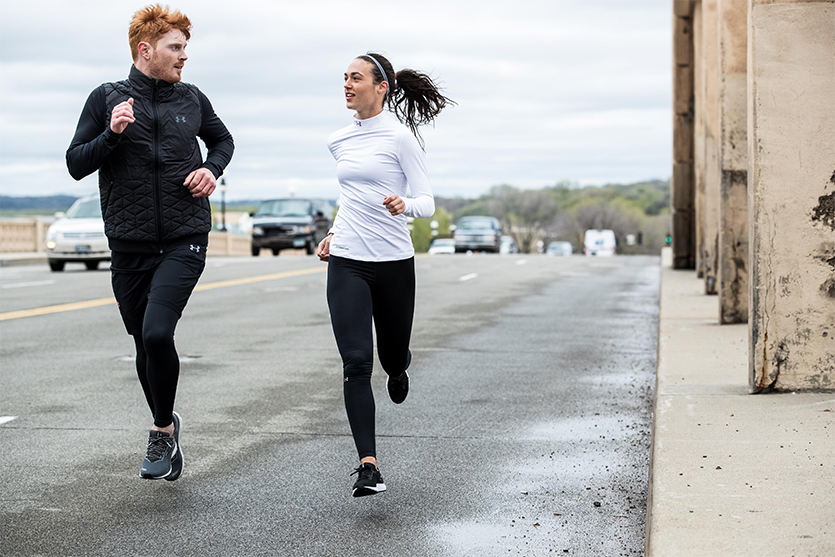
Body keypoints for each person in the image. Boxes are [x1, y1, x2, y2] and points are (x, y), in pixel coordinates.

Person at [66, 4, 234, 481]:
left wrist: (211, 169)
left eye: (185, 47)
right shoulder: (106, 98)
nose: (184, 57)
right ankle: (168, 424)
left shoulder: (192, 99)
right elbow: (77, 162)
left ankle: (160, 432)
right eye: (175, 47)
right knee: (143, 342)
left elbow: (224, 142)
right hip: (129, 243)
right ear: (146, 50)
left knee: (159, 332)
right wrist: (113, 133)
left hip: (185, 236)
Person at [318, 52, 453, 497]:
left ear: (381, 86)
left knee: (391, 356)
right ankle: (368, 465)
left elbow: (427, 201)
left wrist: (404, 205)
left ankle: (398, 369)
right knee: (356, 362)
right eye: (344, 78)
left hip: (394, 262)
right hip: (349, 261)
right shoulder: (339, 139)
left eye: (355, 78)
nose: (347, 84)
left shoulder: (399, 139)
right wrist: (334, 232)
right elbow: (350, 195)